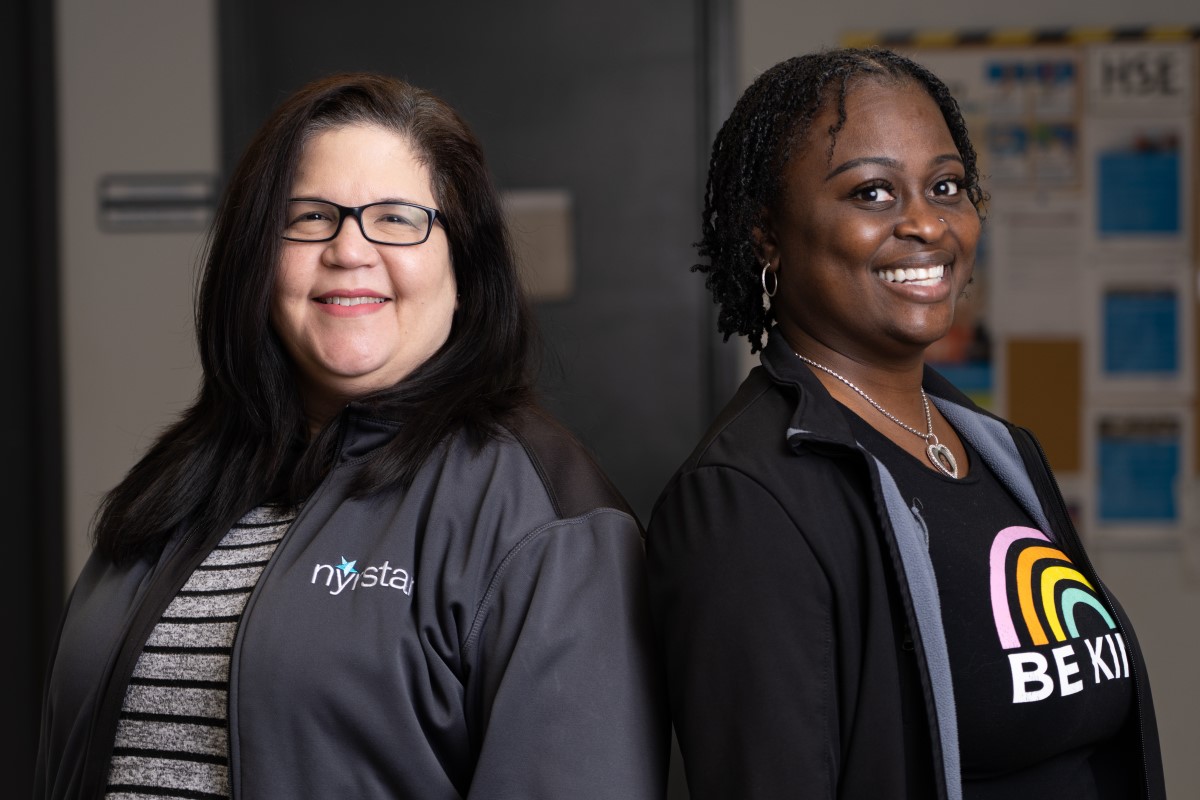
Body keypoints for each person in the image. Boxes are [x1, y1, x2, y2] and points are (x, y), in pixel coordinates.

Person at [37, 73, 666, 799]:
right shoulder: (179, 481)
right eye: (311, 216)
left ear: (464, 264)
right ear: (257, 255)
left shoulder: (544, 519)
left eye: (397, 218)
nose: (349, 249)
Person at [647, 48, 1165, 800]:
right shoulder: (743, 500)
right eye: (873, 193)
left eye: (945, 186)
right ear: (767, 235)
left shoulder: (1000, 452)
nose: (926, 223)